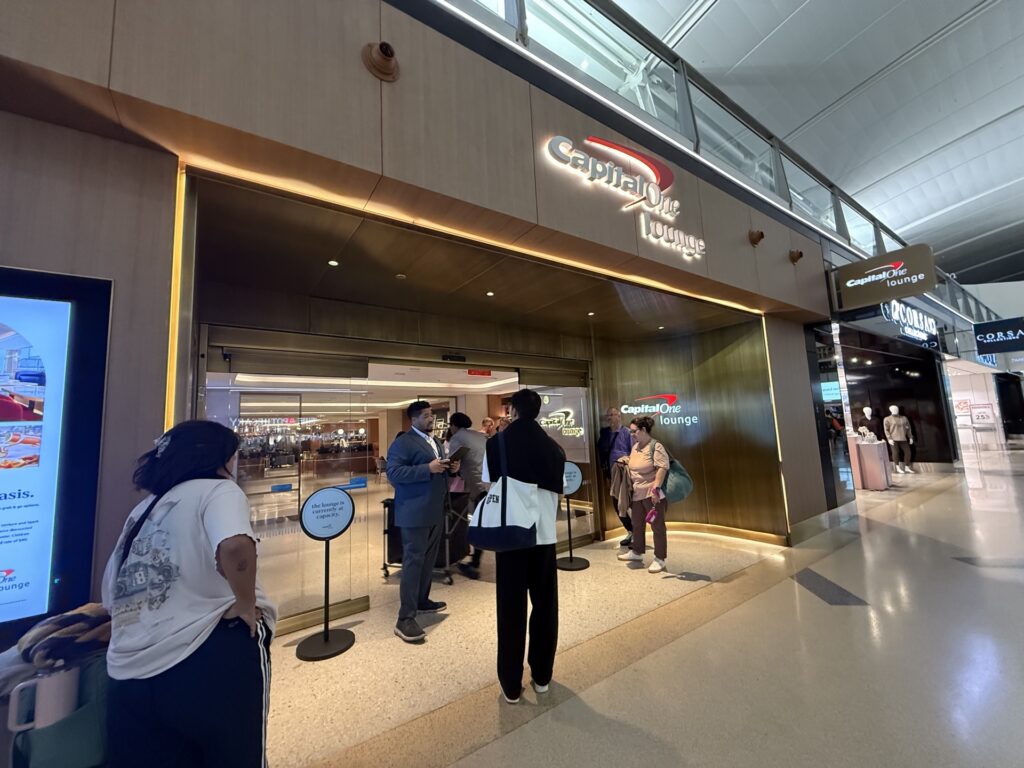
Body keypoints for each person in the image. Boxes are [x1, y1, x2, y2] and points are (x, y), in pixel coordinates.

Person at [102, 420, 277, 768]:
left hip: (130, 669)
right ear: (219, 457)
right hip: (208, 650)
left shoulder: (146, 508)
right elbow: (235, 546)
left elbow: (111, 592)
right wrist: (246, 604)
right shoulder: (219, 490)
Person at [483, 389, 565, 704]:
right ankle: (542, 676)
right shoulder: (554, 448)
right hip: (544, 537)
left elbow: (490, 484)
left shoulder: (496, 444)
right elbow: (558, 489)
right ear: (538, 412)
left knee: (510, 609)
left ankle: (511, 685)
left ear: (513, 411)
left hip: (511, 537)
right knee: (545, 606)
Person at [386, 401, 461, 643]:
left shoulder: (435, 441)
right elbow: (393, 473)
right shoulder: (403, 442)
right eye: (426, 415)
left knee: (428, 559)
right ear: (414, 419)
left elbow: (438, 469)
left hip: (435, 510)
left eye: (431, 415)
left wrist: (451, 468)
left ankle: (421, 600)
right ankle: (405, 618)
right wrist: (427, 468)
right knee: (413, 561)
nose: (431, 419)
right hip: (414, 512)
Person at [617, 416, 669, 573]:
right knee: (637, 524)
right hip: (637, 493)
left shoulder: (656, 446)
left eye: (634, 431)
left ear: (644, 430)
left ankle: (660, 558)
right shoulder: (635, 447)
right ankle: (637, 551)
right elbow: (636, 463)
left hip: (652, 494)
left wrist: (656, 490)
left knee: (657, 526)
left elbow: (662, 468)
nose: (632, 434)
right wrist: (626, 460)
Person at [446, 412, 489, 580]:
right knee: (482, 521)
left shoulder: (457, 438)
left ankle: (474, 563)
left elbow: (452, 464)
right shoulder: (478, 435)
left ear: (453, 425)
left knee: (477, 523)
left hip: (476, 485)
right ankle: (474, 560)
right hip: (488, 482)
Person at [597, 406, 634, 546]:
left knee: (628, 503)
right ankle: (630, 530)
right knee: (617, 504)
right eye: (608, 415)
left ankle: (636, 532)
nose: (609, 418)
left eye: (612, 414)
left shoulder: (627, 433)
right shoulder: (605, 434)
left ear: (619, 416)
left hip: (625, 474)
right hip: (611, 474)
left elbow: (634, 453)